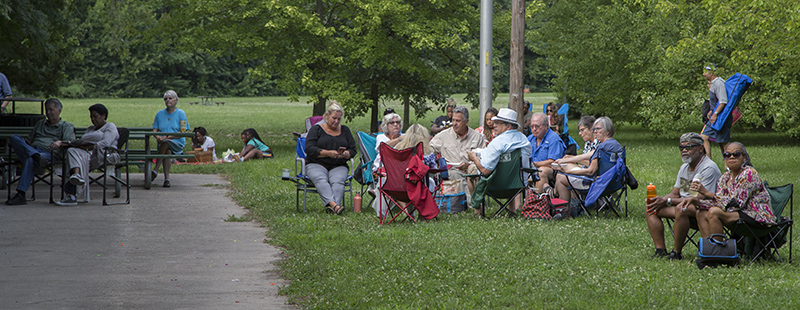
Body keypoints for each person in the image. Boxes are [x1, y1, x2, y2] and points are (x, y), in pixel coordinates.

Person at [643, 133, 721, 260]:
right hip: (683, 204)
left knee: (682, 208)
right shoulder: (685, 168)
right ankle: (660, 250)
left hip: (703, 208)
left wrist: (667, 201)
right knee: (650, 207)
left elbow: (700, 199)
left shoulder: (708, 168)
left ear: (701, 148)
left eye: (689, 147)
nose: (684, 150)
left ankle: (676, 252)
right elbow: (676, 193)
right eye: (682, 148)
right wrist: (659, 200)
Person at [683, 142, 776, 242]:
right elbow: (719, 202)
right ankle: (709, 249)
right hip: (736, 214)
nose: (731, 157)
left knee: (714, 212)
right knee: (701, 212)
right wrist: (697, 202)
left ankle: (719, 251)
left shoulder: (749, 173)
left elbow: (737, 203)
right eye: (727, 155)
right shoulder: (725, 177)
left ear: (744, 158)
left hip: (756, 217)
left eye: (736, 154)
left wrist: (706, 193)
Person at [6, 99, 76, 205]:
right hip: (33, 150)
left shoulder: (65, 126)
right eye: (46, 110)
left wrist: (60, 142)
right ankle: (35, 155)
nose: (48, 113)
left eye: (51, 110)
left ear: (59, 110)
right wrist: (24, 143)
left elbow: (71, 142)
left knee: (30, 160)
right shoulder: (40, 124)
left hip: (48, 154)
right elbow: (30, 141)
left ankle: (21, 194)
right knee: (14, 138)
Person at [551, 117, 623, 215]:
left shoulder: (601, 147)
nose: (595, 132)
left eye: (598, 129)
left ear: (607, 131)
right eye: (594, 129)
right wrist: (568, 160)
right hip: (615, 183)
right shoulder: (616, 145)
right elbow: (585, 157)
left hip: (596, 184)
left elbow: (590, 171)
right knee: (565, 170)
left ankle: (565, 212)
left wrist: (567, 172)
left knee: (561, 178)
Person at [467, 108, 532, 213]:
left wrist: (474, 157)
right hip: (518, 186)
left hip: (495, 186)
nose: (494, 125)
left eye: (498, 123)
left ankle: (477, 210)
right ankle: (512, 210)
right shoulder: (524, 140)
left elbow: (485, 170)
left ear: (508, 126)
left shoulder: (497, 143)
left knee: (471, 170)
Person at [55, 104, 120, 206]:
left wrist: (91, 146)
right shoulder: (90, 129)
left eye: (96, 116)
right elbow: (81, 141)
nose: (93, 119)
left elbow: (106, 143)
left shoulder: (110, 126)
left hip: (103, 155)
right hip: (87, 154)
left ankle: (71, 195)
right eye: (91, 117)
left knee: (75, 158)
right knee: (71, 151)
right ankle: (76, 176)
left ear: (104, 116)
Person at [372, 124, 435, 217]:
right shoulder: (427, 152)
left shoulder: (397, 150)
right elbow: (433, 170)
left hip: (397, 188)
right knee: (428, 181)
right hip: (418, 188)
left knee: (402, 180)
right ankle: (422, 214)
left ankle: (409, 214)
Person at [305, 102, 357, 215]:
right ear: (326, 116)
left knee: (338, 181)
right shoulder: (316, 129)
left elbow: (353, 150)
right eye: (334, 118)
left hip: (338, 164)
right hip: (316, 163)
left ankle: (333, 208)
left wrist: (345, 154)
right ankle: (335, 206)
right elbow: (309, 149)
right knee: (320, 178)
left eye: (339, 119)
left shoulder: (345, 130)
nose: (336, 121)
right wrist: (328, 153)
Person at [430, 106, 485, 203]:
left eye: (458, 121)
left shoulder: (477, 137)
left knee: (473, 171)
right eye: (453, 120)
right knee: (455, 174)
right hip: (452, 169)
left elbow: (483, 158)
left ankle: (475, 203)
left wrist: (468, 165)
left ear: (466, 121)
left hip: (471, 168)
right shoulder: (443, 136)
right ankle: (472, 203)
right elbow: (429, 151)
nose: (454, 123)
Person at [151, 90, 189, 188]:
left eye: (170, 98)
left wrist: (167, 137)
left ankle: (155, 169)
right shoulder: (159, 114)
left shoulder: (181, 114)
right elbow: (154, 130)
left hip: (177, 142)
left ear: (176, 100)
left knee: (167, 143)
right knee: (166, 149)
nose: (168, 100)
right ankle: (167, 179)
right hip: (163, 143)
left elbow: (183, 132)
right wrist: (158, 137)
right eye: (166, 99)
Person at [527, 112, 565, 193]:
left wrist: (534, 164)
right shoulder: (529, 139)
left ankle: (539, 202)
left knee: (541, 171)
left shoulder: (553, 138)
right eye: (532, 126)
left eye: (537, 126)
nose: (534, 129)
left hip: (553, 170)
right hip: (531, 169)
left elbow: (553, 162)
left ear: (545, 126)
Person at [700, 64, 730, 159]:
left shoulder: (719, 83)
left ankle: (732, 164)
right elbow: (716, 101)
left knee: (724, 142)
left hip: (720, 116)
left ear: (712, 72)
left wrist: (715, 114)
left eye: (706, 71)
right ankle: (708, 162)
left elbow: (723, 101)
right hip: (715, 115)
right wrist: (712, 111)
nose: (703, 74)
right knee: (704, 137)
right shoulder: (713, 83)